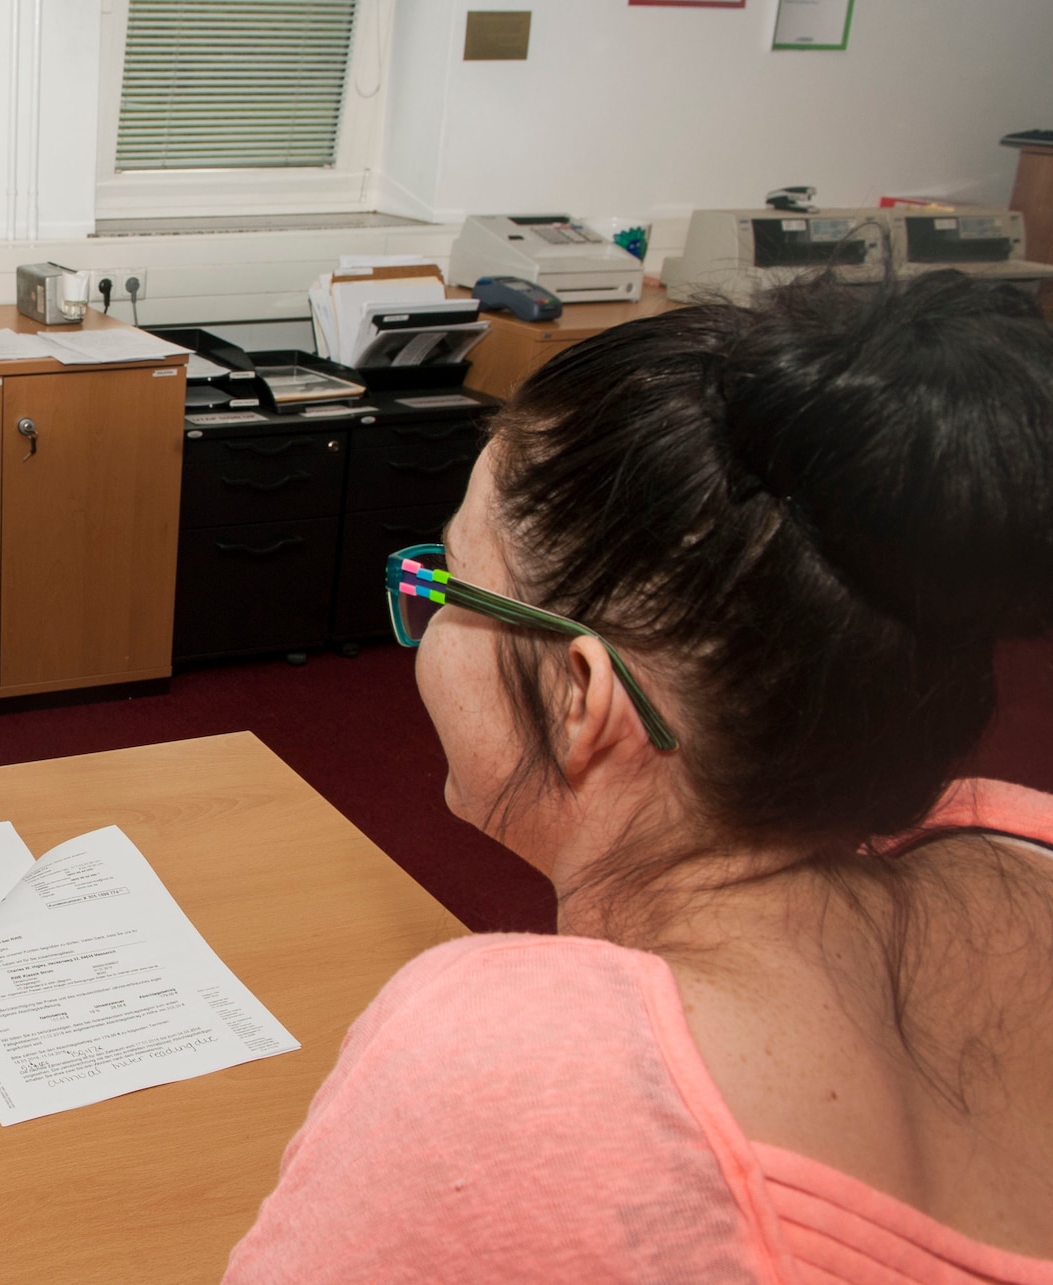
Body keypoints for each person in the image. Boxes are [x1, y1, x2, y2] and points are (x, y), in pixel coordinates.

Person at [225, 271, 1053, 1281]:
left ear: (579, 694)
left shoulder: (501, 1066)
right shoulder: (1021, 841)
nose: (426, 620)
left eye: (446, 580)